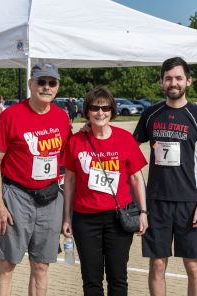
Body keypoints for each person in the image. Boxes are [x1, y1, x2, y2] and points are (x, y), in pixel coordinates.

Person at [133, 57, 197, 296]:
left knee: (193, 265)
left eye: (179, 78)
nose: (173, 82)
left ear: (188, 81)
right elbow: (128, 148)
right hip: (156, 202)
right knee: (157, 264)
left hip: (190, 202)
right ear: (161, 82)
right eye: (168, 78)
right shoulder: (151, 114)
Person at [0, 63, 71, 296]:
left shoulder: (62, 118)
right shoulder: (11, 116)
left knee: (41, 266)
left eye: (51, 83)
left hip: (50, 197)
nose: (46, 87)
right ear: (30, 84)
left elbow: (66, 159)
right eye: (41, 82)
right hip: (17, 197)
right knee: (7, 263)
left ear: (57, 87)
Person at [62, 86, 148, 296]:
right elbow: (70, 181)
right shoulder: (76, 141)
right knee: (91, 280)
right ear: (87, 111)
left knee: (118, 277)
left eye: (105, 107)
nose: (100, 113)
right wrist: (66, 217)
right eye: (94, 108)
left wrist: (144, 213)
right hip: (85, 219)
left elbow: (137, 178)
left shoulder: (125, 139)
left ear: (112, 110)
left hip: (118, 218)